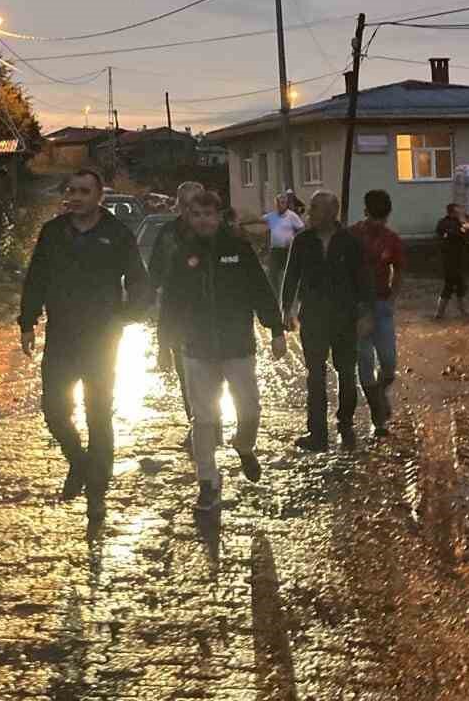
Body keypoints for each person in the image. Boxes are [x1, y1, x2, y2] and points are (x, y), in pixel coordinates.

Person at [19, 167, 151, 523]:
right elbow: (36, 278)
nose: (75, 197)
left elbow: (139, 281)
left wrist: (124, 315)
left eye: (83, 191)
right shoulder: (53, 233)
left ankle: (97, 493)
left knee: (98, 415)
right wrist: (27, 322)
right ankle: (79, 461)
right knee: (55, 411)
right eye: (71, 191)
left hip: (101, 339)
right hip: (61, 335)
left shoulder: (116, 233)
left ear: (98, 197)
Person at [158, 190, 287, 513]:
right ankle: (208, 482)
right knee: (202, 418)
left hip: (237, 346)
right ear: (189, 217)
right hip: (197, 349)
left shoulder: (239, 250)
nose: (203, 220)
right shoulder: (181, 254)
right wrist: (164, 344)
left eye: (208, 214)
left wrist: (276, 330)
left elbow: (260, 289)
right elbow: (170, 304)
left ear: (218, 216)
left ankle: (243, 445)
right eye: (197, 214)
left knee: (250, 410)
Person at [280, 190, 373, 451]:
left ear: (332, 212)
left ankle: (345, 424)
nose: (309, 214)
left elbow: (363, 279)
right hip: (313, 318)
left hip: (345, 318)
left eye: (315, 209)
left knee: (346, 372)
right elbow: (291, 276)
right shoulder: (302, 241)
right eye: (310, 209)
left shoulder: (351, 242)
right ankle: (317, 433)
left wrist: (366, 313)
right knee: (315, 376)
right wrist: (286, 308)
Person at [146, 180, 206, 442]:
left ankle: (209, 422)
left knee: (210, 375)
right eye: (186, 205)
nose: (191, 211)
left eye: (197, 205)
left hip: (210, 315)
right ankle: (198, 425)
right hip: (177, 314)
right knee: (186, 375)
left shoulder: (217, 233)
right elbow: (155, 273)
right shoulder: (168, 234)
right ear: (178, 206)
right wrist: (148, 300)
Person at [351, 189, 406, 438]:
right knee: (364, 362)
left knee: (389, 362)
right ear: (365, 213)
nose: (377, 224)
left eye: (381, 220)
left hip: (382, 306)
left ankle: (380, 393)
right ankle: (378, 414)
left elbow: (400, 270)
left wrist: (392, 298)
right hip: (357, 308)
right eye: (374, 218)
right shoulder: (351, 236)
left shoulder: (392, 239)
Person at [244, 191, 305, 291]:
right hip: (275, 251)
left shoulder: (292, 216)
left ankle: (291, 294)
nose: (281, 205)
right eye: (279, 203)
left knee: (290, 274)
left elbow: (302, 229)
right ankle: (276, 296)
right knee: (272, 274)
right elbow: (258, 220)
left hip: (288, 250)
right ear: (276, 204)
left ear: (286, 203)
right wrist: (243, 222)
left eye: (283, 202)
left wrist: (295, 239)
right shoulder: (272, 216)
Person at [434, 203, 469, 318]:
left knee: (457, 285)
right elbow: (457, 234)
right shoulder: (445, 223)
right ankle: (441, 313)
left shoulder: (458, 223)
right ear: (452, 212)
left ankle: (458, 312)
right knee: (452, 285)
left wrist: (464, 226)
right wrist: (463, 226)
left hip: (459, 260)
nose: (461, 213)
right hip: (450, 260)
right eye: (459, 211)